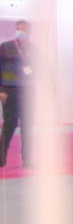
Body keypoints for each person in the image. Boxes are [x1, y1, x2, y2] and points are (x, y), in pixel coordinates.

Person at [0, 20, 32, 167]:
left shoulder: (33, 49)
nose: (20, 31)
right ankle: (1, 158)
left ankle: (27, 160)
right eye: (18, 29)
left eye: (23, 29)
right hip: (9, 91)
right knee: (9, 125)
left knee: (28, 127)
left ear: (29, 31)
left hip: (28, 91)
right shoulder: (6, 47)